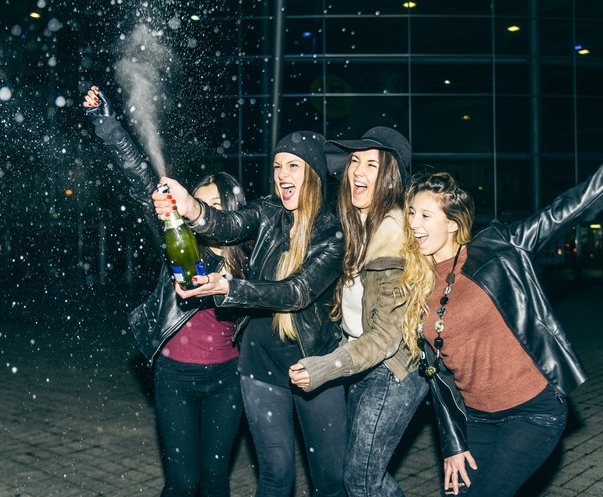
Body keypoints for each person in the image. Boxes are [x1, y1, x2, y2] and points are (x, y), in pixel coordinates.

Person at [399, 112, 603, 497]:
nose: (414, 223)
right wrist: (453, 444)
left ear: (452, 222)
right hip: (477, 420)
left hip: (532, 412)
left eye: (425, 215)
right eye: (411, 214)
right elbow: (437, 376)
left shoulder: (498, 248)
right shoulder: (416, 280)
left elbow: (571, 205)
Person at [151, 131, 347, 497]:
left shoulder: (332, 231)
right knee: (275, 474)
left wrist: (230, 288)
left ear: (314, 174)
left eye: (293, 165)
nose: (282, 174)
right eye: (277, 166)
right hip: (261, 364)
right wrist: (190, 206)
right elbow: (228, 224)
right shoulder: (267, 211)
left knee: (330, 480)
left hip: (316, 363)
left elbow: (297, 292)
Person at [83, 86, 249, 497]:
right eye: (197, 203)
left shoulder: (250, 252)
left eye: (214, 205)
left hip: (228, 378)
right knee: (182, 482)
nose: (202, 212)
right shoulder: (178, 237)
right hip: (175, 375)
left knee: (214, 480)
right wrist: (108, 125)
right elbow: (141, 177)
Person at [287, 127, 429, 497]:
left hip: (393, 370)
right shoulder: (359, 225)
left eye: (371, 164)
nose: (357, 171)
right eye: (354, 161)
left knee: (362, 479)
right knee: (360, 475)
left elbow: (385, 337)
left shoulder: (392, 232)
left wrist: (324, 367)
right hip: (364, 362)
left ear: (390, 177)